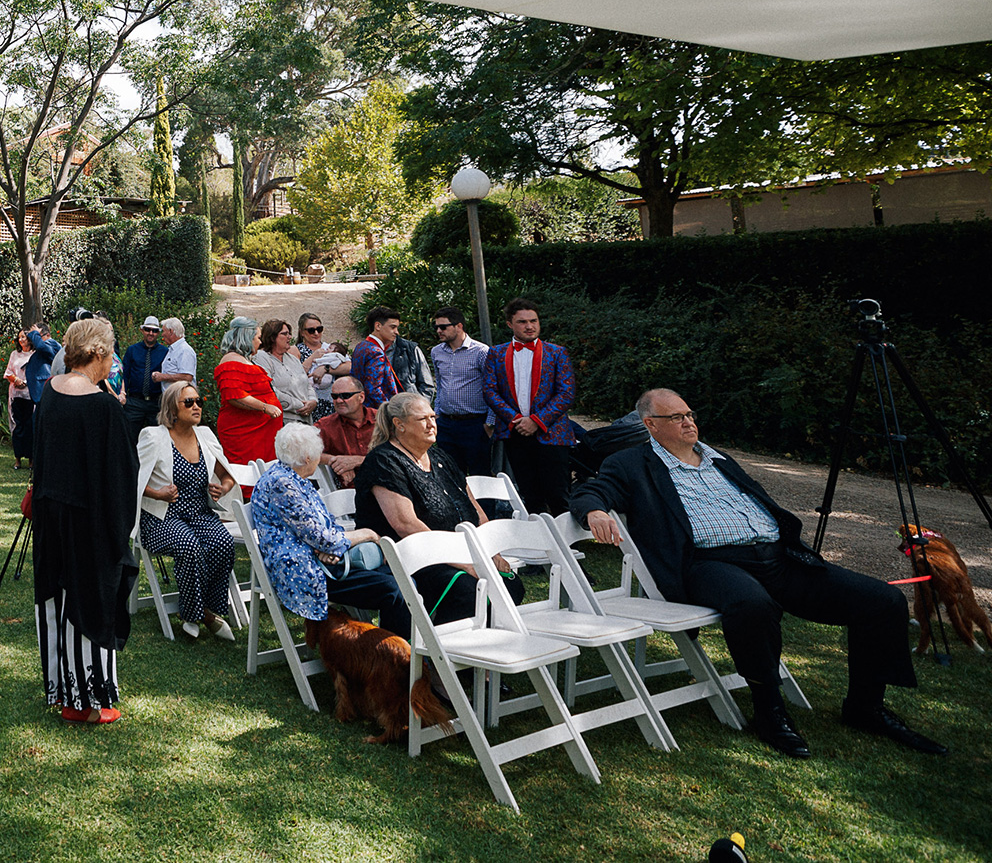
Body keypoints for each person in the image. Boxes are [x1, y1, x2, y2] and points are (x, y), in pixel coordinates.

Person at [573, 389, 944, 759]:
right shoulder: (631, 463)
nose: (689, 422)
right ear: (650, 425)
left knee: (882, 600)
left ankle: (866, 707)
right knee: (752, 605)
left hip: (777, 558)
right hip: (707, 563)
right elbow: (590, 491)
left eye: (689, 414)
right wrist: (596, 512)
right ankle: (769, 710)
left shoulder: (718, 459)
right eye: (677, 418)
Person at [31, 316, 141, 723]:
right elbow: (120, 476)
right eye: (110, 350)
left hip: (51, 515)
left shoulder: (51, 394)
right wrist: (119, 531)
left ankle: (65, 692)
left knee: (57, 601)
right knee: (91, 600)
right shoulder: (103, 406)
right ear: (97, 352)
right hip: (90, 520)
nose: (113, 358)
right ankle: (91, 703)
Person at [353, 392, 521, 625]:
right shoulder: (384, 461)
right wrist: (463, 563)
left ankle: (486, 649)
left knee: (510, 584)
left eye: (433, 416)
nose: (432, 424)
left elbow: (474, 507)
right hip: (417, 558)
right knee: (467, 590)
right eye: (423, 419)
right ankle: (439, 654)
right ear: (399, 425)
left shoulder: (439, 455)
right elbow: (405, 525)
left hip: (461, 552)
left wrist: (492, 552)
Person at [250, 422, 411, 643]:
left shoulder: (293, 478)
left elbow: (324, 530)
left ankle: (391, 654)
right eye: (317, 452)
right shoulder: (282, 483)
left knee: (400, 576)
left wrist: (331, 547)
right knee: (392, 589)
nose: (319, 458)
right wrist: (367, 534)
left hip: (322, 562)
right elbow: (322, 538)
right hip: (304, 572)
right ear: (307, 457)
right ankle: (394, 659)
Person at [137, 381, 240, 639]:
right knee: (189, 546)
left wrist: (223, 489)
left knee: (223, 543)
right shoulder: (153, 436)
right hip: (162, 518)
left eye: (199, 401)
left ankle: (206, 609)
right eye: (189, 402)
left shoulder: (204, 435)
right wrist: (158, 493)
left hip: (200, 514)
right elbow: (132, 479)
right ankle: (197, 614)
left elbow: (226, 476)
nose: (196, 407)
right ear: (172, 407)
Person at [482, 298, 577, 515]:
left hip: (552, 433)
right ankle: (538, 543)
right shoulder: (496, 353)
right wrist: (515, 419)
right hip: (516, 432)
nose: (529, 326)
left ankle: (569, 545)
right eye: (522, 322)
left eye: (533, 320)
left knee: (558, 493)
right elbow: (489, 391)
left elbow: (566, 393)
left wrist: (537, 420)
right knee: (529, 493)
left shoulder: (556, 352)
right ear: (509, 324)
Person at [429, 306, 493, 477]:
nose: (439, 331)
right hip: (447, 423)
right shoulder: (436, 352)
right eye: (436, 327)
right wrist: (437, 413)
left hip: (474, 423)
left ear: (459, 326)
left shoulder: (481, 351)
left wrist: (489, 423)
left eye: (443, 327)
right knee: (451, 475)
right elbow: (440, 384)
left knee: (480, 476)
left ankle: (483, 505)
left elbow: (493, 387)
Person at [212, 317, 283, 466]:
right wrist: (265, 407)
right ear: (247, 338)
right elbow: (234, 396)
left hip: (260, 434)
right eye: (257, 338)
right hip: (245, 434)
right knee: (247, 476)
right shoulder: (230, 360)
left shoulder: (243, 359)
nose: (260, 342)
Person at [315, 377, 376, 488]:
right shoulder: (326, 425)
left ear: (361, 397)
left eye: (345, 396)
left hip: (390, 485)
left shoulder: (382, 420)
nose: (339, 400)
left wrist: (358, 461)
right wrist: (336, 462)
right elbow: (303, 452)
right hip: (352, 494)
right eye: (335, 396)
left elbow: (399, 455)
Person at [253, 318, 318, 419]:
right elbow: (269, 389)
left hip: (305, 419)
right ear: (272, 337)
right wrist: (300, 406)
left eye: (289, 334)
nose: (289, 337)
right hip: (282, 420)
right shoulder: (262, 357)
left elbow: (307, 385)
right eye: (284, 334)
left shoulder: (293, 359)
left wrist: (313, 401)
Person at [349, 306, 406, 408]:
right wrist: (389, 410)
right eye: (392, 327)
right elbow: (373, 389)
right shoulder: (376, 352)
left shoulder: (361, 346)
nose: (397, 332)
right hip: (375, 412)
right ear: (378, 326)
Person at [121, 316, 169, 427]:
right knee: (130, 436)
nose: (151, 333)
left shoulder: (165, 352)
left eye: (154, 331)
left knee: (157, 437)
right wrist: (123, 394)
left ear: (158, 333)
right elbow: (125, 374)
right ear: (142, 330)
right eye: (148, 329)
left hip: (156, 403)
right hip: (134, 402)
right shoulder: (132, 350)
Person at [295, 313, 349, 407]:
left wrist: (325, 368)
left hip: (330, 403)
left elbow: (350, 366)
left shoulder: (331, 348)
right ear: (302, 332)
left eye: (319, 329)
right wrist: (312, 358)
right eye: (311, 330)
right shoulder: (296, 350)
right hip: (308, 402)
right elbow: (295, 376)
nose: (316, 333)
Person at [6, 331, 37, 470]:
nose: (21, 339)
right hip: (16, 394)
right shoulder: (14, 354)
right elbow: (8, 372)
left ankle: (31, 460)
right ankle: (17, 459)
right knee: (18, 426)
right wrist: (16, 380)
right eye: (19, 337)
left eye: (23, 337)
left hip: (30, 395)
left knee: (29, 426)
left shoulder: (35, 354)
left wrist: (25, 381)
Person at [150, 317, 197, 392]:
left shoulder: (185, 350)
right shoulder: (173, 350)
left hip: (180, 398)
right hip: (173, 398)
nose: (162, 335)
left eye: (164, 331)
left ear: (171, 331)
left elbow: (187, 377)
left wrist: (163, 377)